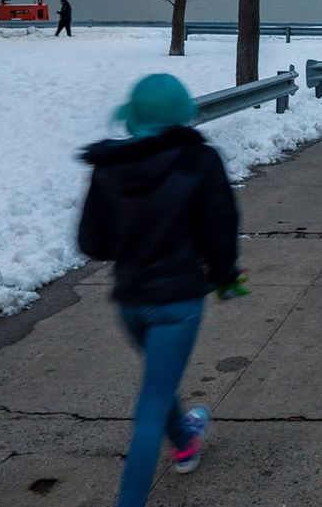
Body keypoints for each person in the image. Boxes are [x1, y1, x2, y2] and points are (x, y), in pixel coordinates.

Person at [77, 73, 246, 507]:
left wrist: (133, 234)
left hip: (131, 299)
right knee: (150, 405)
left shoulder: (109, 167)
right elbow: (220, 227)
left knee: (159, 381)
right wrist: (225, 276)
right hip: (178, 301)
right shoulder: (199, 161)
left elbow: (93, 242)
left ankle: (187, 440)